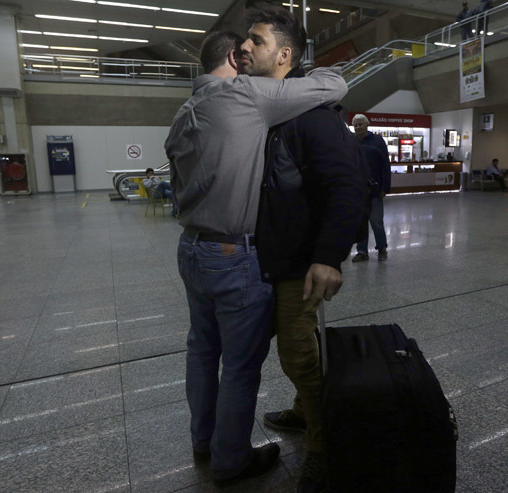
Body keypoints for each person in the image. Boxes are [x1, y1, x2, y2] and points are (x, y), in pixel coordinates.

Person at [165, 30, 347, 485]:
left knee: (202, 352)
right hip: (232, 252)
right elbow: (335, 85)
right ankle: (231, 461)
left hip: (191, 248)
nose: (248, 53)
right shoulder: (244, 95)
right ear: (233, 57)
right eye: (243, 48)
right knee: (241, 366)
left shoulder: (183, 113)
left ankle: (203, 441)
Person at [241, 5, 365, 492]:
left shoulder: (312, 116)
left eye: (257, 41)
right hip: (267, 259)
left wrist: (328, 256)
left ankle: (322, 444)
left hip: (298, 262)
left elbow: (348, 185)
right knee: (293, 348)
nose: (245, 47)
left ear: (284, 55)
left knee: (298, 353)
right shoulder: (270, 112)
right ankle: (301, 410)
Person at [351, 114, 391, 262]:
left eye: (360, 124)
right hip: (358, 190)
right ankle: (362, 251)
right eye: (355, 125)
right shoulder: (352, 142)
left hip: (375, 189)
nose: (358, 127)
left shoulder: (378, 141)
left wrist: (385, 187)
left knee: (376, 221)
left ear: (367, 125)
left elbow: (386, 166)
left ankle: (382, 248)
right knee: (361, 222)